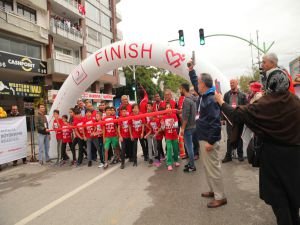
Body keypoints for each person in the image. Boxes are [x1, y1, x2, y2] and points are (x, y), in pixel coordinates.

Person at [215, 69, 300, 225]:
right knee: (293, 197)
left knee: (279, 201)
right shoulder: (296, 102)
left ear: (269, 84)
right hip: (295, 158)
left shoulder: (265, 104)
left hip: (272, 158)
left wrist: (221, 102)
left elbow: (237, 115)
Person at [197, 73, 227, 208]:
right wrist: (191, 71)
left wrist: (211, 141)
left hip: (209, 139)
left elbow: (216, 122)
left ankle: (220, 197)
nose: (197, 85)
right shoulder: (204, 97)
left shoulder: (210, 99)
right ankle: (214, 191)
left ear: (203, 84)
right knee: (207, 167)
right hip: (203, 137)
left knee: (213, 168)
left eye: (198, 82)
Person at [222, 79, 247, 163]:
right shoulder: (226, 95)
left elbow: (246, 107)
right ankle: (228, 155)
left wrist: (245, 117)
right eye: (230, 83)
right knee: (229, 137)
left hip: (239, 118)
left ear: (237, 84)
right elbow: (223, 106)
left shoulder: (243, 95)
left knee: (239, 136)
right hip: (229, 119)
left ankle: (240, 155)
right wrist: (222, 118)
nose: (231, 84)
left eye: (233, 83)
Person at [179, 83, 197, 172]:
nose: (179, 91)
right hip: (194, 125)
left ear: (183, 89)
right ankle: (190, 163)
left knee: (189, 147)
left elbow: (185, 117)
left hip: (188, 127)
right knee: (191, 146)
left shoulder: (186, 100)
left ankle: (192, 166)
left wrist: (182, 128)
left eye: (180, 89)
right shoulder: (193, 98)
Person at [161, 103, 180, 171]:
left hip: (174, 135)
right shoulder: (163, 117)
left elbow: (176, 125)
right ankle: (169, 163)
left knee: (175, 148)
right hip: (168, 136)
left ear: (171, 108)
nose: (168, 108)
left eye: (169, 107)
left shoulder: (174, 115)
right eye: (167, 107)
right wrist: (163, 125)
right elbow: (163, 128)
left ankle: (176, 160)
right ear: (165, 109)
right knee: (169, 148)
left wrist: (171, 124)